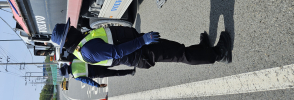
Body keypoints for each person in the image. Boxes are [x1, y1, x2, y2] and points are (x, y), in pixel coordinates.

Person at [51, 18, 232, 69]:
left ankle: (203, 49)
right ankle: (218, 54)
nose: (73, 27)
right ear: (67, 39)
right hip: (141, 51)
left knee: (178, 48)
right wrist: (142, 41)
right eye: (70, 29)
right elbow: (117, 52)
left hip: (139, 45)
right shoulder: (87, 50)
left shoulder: (83, 42)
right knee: (181, 55)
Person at [59, 58, 135, 88]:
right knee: (115, 62)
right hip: (98, 63)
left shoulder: (76, 76)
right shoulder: (74, 61)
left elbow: (87, 81)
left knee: (115, 73)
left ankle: (131, 71)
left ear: (67, 73)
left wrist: (98, 85)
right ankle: (133, 61)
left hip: (98, 73)